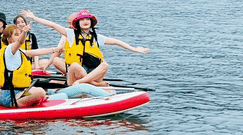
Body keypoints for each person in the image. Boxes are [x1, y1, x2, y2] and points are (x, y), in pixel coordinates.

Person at [22, 9, 150, 87]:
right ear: (77, 23)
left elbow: (117, 42)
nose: (85, 21)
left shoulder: (96, 37)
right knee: (74, 66)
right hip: (77, 74)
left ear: (91, 22)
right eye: (82, 19)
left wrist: (135, 49)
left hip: (91, 72)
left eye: (87, 19)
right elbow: (53, 25)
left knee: (104, 65)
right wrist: (34, 18)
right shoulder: (71, 34)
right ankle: (91, 84)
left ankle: (87, 82)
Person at [0, 22, 53, 108]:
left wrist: (55, 49)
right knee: (41, 92)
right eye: (16, 34)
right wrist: (24, 32)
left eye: (19, 34)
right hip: (10, 97)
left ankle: (27, 101)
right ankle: (20, 104)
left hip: (16, 92)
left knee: (36, 90)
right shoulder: (9, 49)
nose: (19, 36)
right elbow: (20, 41)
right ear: (9, 39)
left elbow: (37, 52)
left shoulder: (19, 51)